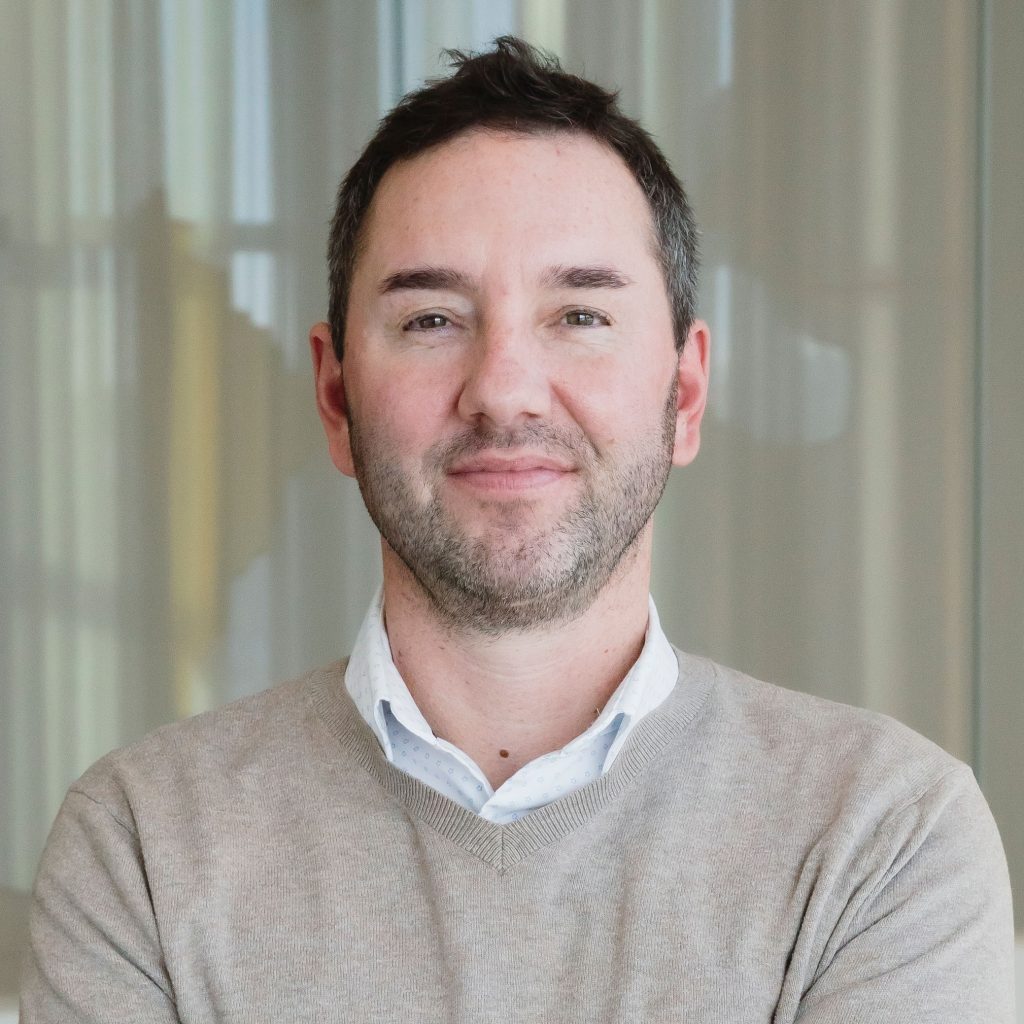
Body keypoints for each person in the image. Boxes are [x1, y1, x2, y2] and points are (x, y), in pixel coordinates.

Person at [21, 36, 1015, 1023]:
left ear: (685, 389)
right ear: (333, 394)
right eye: (431, 321)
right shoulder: (141, 847)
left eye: (578, 315)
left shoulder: (882, 837)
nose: (502, 390)